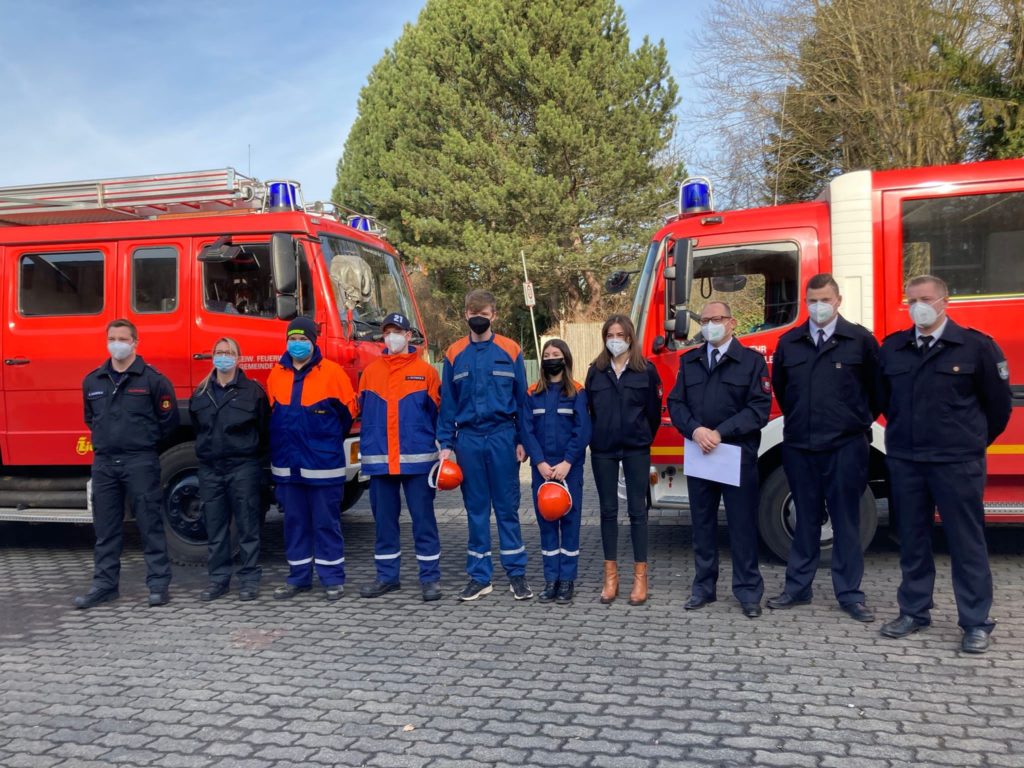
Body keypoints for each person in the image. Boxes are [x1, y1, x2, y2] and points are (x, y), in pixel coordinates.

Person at [878, 275, 1011, 653]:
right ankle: (914, 611)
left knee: (966, 542)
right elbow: (885, 400)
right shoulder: (894, 349)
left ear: (944, 301)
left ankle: (975, 621)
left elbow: (997, 408)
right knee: (913, 540)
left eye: (926, 298)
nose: (918, 306)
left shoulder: (975, 347)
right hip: (907, 461)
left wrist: (968, 443)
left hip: (957, 463)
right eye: (912, 300)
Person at [767, 274, 883, 622]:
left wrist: (852, 421)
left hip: (846, 447)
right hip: (801, 446)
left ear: (838, 300)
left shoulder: (860, 340)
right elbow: (784, 391)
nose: (818, 306)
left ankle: (850, 594)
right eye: (812, 300)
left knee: (847, 521)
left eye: (825, 299)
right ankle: (797, 587)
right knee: (805, 519)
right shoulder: (790, 342)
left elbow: (877, 393)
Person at [668, 301, 770, 618]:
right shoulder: (691, 361)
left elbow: (759, 409)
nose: (710, 324)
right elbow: (676, 403)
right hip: (701, 456)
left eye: (717, 319)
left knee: (741, 526)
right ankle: (703, 587)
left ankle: (748, 592)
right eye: (706, 319)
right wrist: (696, 430)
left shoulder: (751, 362)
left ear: (732, 322)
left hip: (735, 455)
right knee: (702, 525)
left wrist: (721, 433)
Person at [74, 319, 180, 609]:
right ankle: (105, 585)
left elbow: (168, 422)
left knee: (150, 524)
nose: (116, 343)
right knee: (106, 529)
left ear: (135, 342)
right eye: (112, 338)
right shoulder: (93, 380)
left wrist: (143, 442)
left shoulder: (153, 380)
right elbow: (89, 417)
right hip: (105, 462)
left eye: (123, 338)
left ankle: (158, 585)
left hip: (140, 461)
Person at [438, 289, 532, 602]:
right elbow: (447, 405)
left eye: (485, 314)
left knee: (507, 508)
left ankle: (516, 575)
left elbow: (522, 401)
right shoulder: (453, 354)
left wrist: (522, 440)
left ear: (494, 315)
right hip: (468, 440)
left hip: (503, 437)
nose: (479, 318)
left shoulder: (511, 349)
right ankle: (480, 577)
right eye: (473, 313)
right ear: (465, 315)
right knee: (476, 511)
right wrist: (445, 446)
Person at [266, 316, 358, 601]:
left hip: (322, 466)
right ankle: (299, 578)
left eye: (302, 339)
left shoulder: (332, 373)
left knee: (325, 522)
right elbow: (273, 414)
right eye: (292, 339)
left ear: (313, 342)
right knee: (295, 523)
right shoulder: (276, 375)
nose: (297, 344)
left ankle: (332, 579)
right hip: (288, 467)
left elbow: (347, 415)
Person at [357, 312, 444, 602]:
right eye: (387, 332)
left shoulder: (427, 373)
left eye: (397, 331)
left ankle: (430, 579)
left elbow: (438, 415)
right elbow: (363, 412)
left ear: (409, 336)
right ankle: (387, 577)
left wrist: (445, 447)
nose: (391, 337)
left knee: (424, 522)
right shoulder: (370, 372)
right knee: (384, 523)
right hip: (381, 462)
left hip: (418, 463)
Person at [586, 314, 661, 606]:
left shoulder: (646, 371)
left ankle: (641, 578)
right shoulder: (596, 372)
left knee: (637, 511)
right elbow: (589, 409)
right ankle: (610, 577)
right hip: (603, 449)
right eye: (610, 334)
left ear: (630, 337)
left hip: (635, 449)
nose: (614, 339)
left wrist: (641, 435)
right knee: (607, 511)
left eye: (620, 334)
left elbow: (653, 414)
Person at [188, 338, 270, 602]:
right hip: (211, 469)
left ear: (239, 357)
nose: (224, 356)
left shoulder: (252, 392)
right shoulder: (200, 393)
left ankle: (248, 580)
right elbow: (196, 429)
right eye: (219, 352)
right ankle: (218, 580)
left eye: (229, 352)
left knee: (247, 527)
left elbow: (264, 430)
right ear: (212, 356)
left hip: (243, 467)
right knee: (215, 527)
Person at [521, 339, 592, 604]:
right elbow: (526, 430)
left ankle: (567, 581)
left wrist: (568, 462)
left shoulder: (577, 391)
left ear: (566, 358)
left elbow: (583, 430)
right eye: (547, 354)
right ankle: (551, 580)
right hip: (542, 469)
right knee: (547, 523)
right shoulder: (532, 393)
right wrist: (539, 462)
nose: (551, 357)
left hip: (568, 469)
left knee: (570, 523)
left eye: (556, 353)